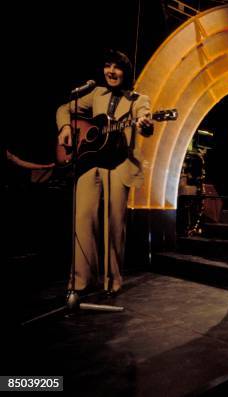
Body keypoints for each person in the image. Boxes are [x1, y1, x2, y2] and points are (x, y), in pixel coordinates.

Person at [56, 49, 154, 294]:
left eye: (117, 67)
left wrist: (146, 124)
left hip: (120, 165)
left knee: (114, 224)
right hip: (91, 164)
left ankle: (112, 280)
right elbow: (63, 109)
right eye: (108, 66)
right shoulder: (95, 92)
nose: (111, 72)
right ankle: (81, 281)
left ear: (125, 72)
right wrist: (65, 127)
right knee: (82, 219)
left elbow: (146, 123)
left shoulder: (138, 99)